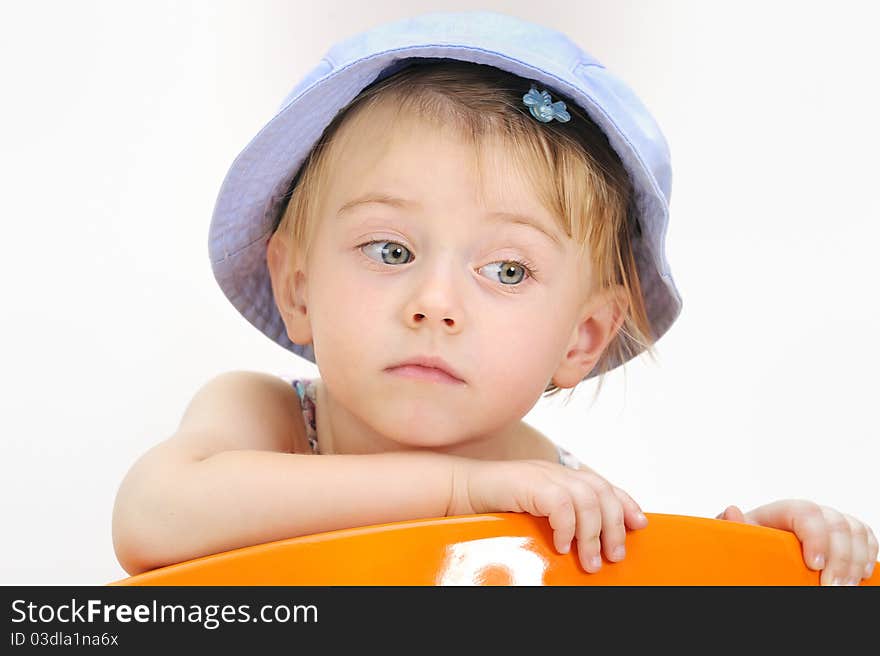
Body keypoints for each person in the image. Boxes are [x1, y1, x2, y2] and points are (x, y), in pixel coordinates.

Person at [111, 10, 877, 585]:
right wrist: (459, 490)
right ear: (298, 284)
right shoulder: (266, 419)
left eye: (507, 271)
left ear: (580, 338)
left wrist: (764, 556)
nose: (435, 302)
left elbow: (647, 592)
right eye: (391, 250)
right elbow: (150, 518)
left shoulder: (561, 496)